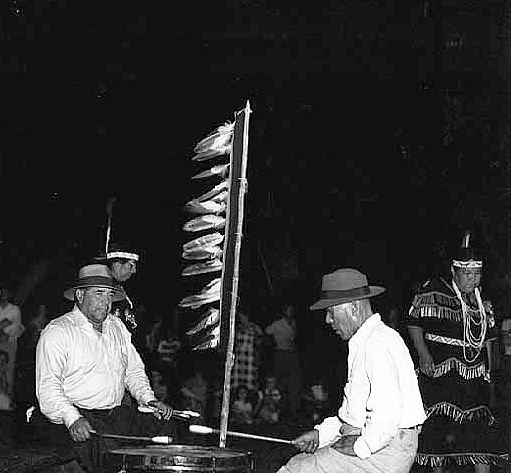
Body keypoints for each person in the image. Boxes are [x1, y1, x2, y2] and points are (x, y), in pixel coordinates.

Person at [277, 268, 426, 473]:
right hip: (378, 442)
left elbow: (387, 411)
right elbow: (354, 416)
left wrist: (361, 447)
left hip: (385, 449)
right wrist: (322, 434)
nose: (328, 320)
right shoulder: (364, 343)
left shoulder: (378, 342)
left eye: (331, 311)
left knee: (295, 470)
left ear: (354, 308)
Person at [32, 264, 177, 473]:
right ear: (79, 295)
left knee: (165, 429)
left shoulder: (117, 326)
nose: (106, 302)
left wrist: (149, 399)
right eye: (99, 294)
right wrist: (72, 418)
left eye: (109, 295)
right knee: (108, 451)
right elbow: (47, 389)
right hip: (75, 414)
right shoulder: (57, 332)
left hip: (114, 415)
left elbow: (133, 370)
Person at [405, 231, 505, 470]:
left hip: (473, 377)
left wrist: (490, 372)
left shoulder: (482, 302)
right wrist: (423, 352)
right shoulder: (435, 290)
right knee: (436, 431)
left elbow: (488, 340)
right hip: (440, 375)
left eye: (477, 274)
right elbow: (414, 320)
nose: (473, 279)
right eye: (467, 274)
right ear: (454, 271)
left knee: (478, 431)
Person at [265, 302, 302, 420]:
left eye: (292, 310)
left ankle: (291, 411)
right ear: (284, 311)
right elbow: (266, 333)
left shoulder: (294, 323)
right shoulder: (277, 324)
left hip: (291, 355)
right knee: (279, 382)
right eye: (288, 310)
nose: (291, 312)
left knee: (292, 383)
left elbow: (294, 339)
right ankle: (276, 411)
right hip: (280, 354)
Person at [0, 286, 25, 398]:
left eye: (6, 292)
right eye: (2, 292)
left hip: (9, 343)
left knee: (7, 370)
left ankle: (6, 399)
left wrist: (6, 331)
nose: (3, 294)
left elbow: (18, 327)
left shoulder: (15, 309)